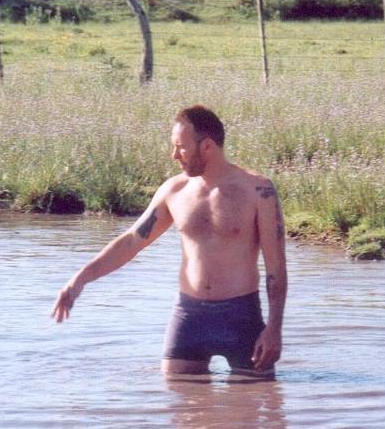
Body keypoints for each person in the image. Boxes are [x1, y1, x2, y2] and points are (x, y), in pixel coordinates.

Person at [51, 105, 287, 375]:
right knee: (177, 397)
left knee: (254, 399)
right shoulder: (174, 190)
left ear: (207, 146)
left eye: (181, 148)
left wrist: (274, 328)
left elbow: (276, 266)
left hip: (240, 317)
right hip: (189, 318)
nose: (174, 155)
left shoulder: (257, 190)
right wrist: (80, 279)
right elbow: (132, 241)